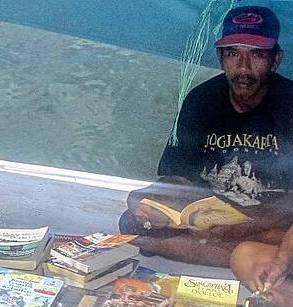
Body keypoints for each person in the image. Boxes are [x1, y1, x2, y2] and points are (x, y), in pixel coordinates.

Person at [119, 5, 293, 267]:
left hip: (272, 220)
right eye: (233, 53)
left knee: (280, 240)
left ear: (275, 59)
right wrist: (146, 196)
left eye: (256, 55)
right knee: (131, 222)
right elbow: (178, 176)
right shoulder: (201, 100)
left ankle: (237, 253)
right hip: (211, 220)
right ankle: (243, 256)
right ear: (220, 56)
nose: (243, 67)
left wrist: (246, 228)